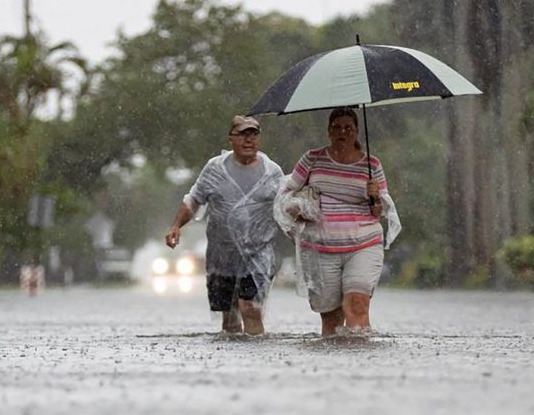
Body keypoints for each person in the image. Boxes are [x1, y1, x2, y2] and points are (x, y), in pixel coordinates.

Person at [275, 107, 401, 336]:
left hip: (364, 243)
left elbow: (378, 211)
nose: (343, 132)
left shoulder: (372, 165)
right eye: (337, 127)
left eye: (348, 128)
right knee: (331, 318)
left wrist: (375, 196)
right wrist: (296, 209)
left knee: (356, 305)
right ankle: (334, 367)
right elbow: (285, 194)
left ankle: (361, 361)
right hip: (320, 247)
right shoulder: (312, 159)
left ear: (356, 132)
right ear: (328, 131)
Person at [165, 115, 284, 335]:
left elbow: (285, 207)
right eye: (243, 135)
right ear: (231, 138)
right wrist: (176, 226)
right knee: (229, 316)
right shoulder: (215, 169)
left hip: (257, 254)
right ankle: (232, 362)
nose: (249, 140)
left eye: (254, 135)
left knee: (249, 308)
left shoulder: (272, 172)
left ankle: (256, 357)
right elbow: (194, 200)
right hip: (222, 256)